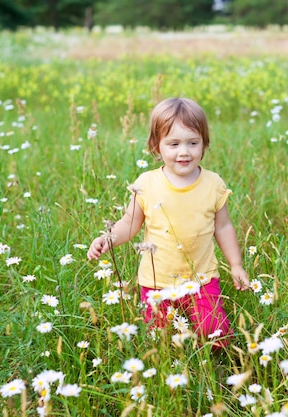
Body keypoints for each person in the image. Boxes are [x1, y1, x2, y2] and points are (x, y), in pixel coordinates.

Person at [87, 97, 250, 347]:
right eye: (173, 144)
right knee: (159, 339)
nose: (183, 152)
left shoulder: (213, 184)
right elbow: (130, 222)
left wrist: (236, 265)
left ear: (204, 144)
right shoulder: (147, 184)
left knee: (216, 335)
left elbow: (223, 226)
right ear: (156, 146)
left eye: (192, 143)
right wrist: (109, 238)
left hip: (201, 279)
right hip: (157, 281)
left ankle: (215, 367)